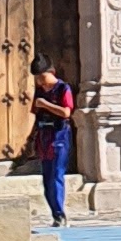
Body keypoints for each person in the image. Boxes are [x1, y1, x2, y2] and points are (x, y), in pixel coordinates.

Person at [26, 56, 77, 225]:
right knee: (47, 177)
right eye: (38, 78)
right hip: (44, 136)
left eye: (43, 77)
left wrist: (46, 105)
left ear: (52, 72)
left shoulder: (63, 88)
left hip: (59, 135)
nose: (40, 81)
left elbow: (66, 112)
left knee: (56, 174)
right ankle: (55, 214)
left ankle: (60, 212)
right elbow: (35, 114)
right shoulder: (40, 91)